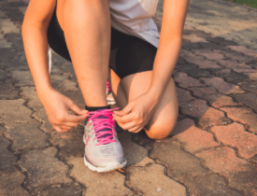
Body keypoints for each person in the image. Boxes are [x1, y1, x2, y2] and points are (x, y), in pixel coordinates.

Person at [22, 0, 189, 172]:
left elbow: (172, 35)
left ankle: (104, 74)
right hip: (76, 20)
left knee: (159, 126)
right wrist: (44, 90)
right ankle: (97, 114)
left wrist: (152, 96)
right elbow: (34, 23)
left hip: (131, 35)